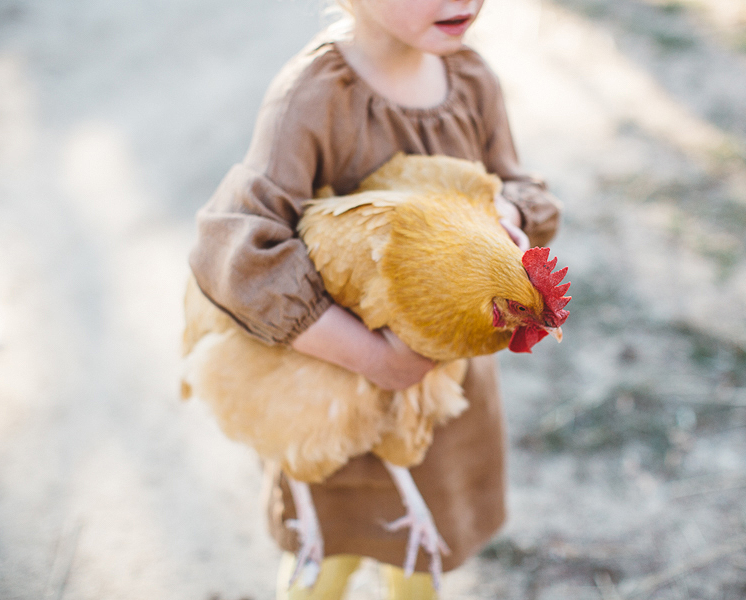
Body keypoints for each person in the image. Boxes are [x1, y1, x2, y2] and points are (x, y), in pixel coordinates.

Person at [188, 0, 562, 598]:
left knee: (422, 553)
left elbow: (517, 182)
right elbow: (238, 247)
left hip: (442, 396)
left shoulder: (471, 79)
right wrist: (376, 358)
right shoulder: (313, 97)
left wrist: (508, 214)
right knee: (327, 558)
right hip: (334, 388)